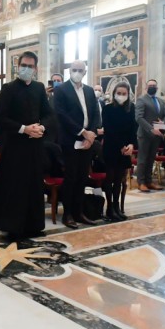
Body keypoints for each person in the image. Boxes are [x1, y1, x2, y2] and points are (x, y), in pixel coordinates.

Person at [0, 51, 52, 238]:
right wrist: (24, 128)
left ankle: (33, 226)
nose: (27, 69)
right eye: (24, 65)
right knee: (15, 186)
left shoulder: (39, 88)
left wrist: (42, 127)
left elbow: (48, 113)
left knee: (34, 185)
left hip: (34, 145)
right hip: (14, 146)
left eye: (30, 66)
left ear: (36, 69)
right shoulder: (8, 88)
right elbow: (0, 119)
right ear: (17, 67)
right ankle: (12, 227)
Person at [53, 60, 101, 228]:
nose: (77, 72)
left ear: (85, 72)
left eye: (80, 70)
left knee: (82, 178)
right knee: (71, 178)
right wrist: (82, 132)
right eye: (74, 69)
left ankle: (79, 212)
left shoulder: (89, 91)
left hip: (87, 141)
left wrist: (91, 134)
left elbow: (95, 113)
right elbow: (61, 115)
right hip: (70, 140)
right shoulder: (61, 90)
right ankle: (67, 214)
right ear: (69, 71)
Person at [101, 82, 136, 221]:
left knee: (119, 180)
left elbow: (133, 129)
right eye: (119, 93)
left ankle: (116, 207)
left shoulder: (131, 108)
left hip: (126, 150)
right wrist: (121, 145)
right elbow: (109, 129)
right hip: (111, 147)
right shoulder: (107, 108)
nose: (121, 96)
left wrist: (132, 145)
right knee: (110, 179)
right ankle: (109, 208)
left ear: (128, 95)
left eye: (124, 94)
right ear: (114, 93)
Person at [135, 79, 165, 192]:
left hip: (157, 134)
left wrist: (163, 122)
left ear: (157, 88)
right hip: (145, 134)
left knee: (151, 159)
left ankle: (149, 181)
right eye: (150, 85)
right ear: (146, 87)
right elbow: (139, 117)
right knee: (143, 159)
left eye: (154, 85)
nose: (152, 87)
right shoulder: (141, 100)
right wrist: (151, 129)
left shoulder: (161, 101)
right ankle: (141, 182)